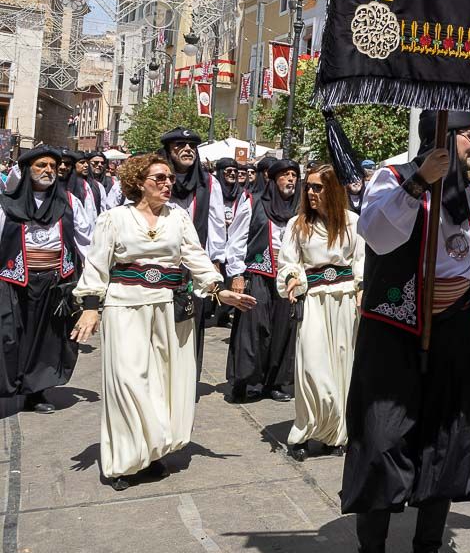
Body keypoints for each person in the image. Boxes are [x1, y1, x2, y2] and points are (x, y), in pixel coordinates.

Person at [344, 111, 470, 553]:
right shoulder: (392, 177)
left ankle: (426, 546)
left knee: (447, 440)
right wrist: (418, 184)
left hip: (455, 328)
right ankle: (372, 550)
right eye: (468, 136)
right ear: (442, 136)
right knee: (383, 438)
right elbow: (377, 235)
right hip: (395, 328)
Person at [69, 155, 254, 491]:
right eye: (159, 178)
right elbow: (96, 265)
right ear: (139, 182)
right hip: (124, 306)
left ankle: (151, 454)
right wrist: (91, 307)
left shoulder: (178, 218)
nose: (168, 183)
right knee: (127, 381)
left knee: (159, 383)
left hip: (166, 308)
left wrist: (218, 289)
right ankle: (124, 460)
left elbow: (196, 257)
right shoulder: (114, 219)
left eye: (169, 178)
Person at [277, 165, 364, 461]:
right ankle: (303, 430)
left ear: (334, 189)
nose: (311, 193)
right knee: (312, 369)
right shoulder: (297, 225)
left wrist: (362, 288)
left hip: (345, 303)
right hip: (313, 301)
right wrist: (291, 278)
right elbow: (288, 261)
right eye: (308, 187)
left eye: (318, 187)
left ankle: (335, 434)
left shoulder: (354, 223)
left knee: (343, 368)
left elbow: (360, 262)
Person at [0, 146, 93, 416]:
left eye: (53, 166)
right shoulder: (7, 203)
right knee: (9, 337)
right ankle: (9, 387)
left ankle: (35, 392)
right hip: (13, 281)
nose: (49, 170)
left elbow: (86, 241)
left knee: (46, 341)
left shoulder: (69, 202)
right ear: (27, 170)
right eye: (41, 165)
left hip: (54, 282)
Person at [159, 128, 233, 380]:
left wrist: (215, 262)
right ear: (169, 151)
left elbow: (215, 224)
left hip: (194, 265)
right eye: (180, 145)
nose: (187, 149)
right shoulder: (157, 178)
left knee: (192, 318)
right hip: (160, 263)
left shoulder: (208, 182)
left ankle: (187, 378)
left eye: (192, 145)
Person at [227, 159, 300, 403]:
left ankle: (274, 383)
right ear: (273, 179)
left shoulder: (300, 210)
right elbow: (237, 239)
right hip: (258, 272)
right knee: (253, 329)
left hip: (286, 276)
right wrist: (237, 274)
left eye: (294, 175)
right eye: (285, 175)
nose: (290, 179)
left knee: (283, 330)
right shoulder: (253, 203)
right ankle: (244, 382)